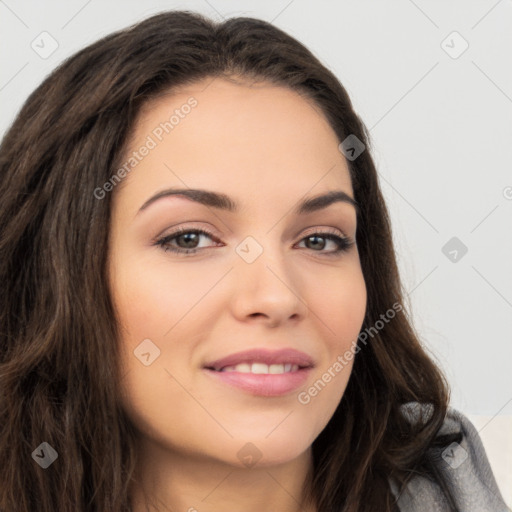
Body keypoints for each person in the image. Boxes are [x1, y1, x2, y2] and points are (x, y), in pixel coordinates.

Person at [0, 10, 508, 512]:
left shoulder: (456, 484)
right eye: (190, 238)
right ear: (53, 274)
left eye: (319, 240)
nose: (277, 296)